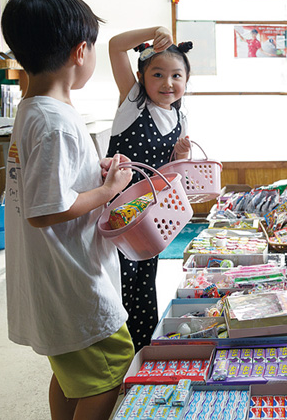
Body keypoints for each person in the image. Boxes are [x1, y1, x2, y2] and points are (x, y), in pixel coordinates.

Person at [1, 0, 135, 420]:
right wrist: (108, 190)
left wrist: (92, 170)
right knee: (110, 367)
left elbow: (52, 180)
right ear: (82, 51)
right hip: (71, 277)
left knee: (73, 373)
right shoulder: (54, 121)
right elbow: (46, 210)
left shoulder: (35, 108)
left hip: (55, 273)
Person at [108, 26, 193, 349]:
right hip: (118, 212)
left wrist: (180, 156)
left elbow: (168, 171)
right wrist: (155, 30)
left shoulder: (180, 117)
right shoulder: (133, 104)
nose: (167, 83)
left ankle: (141, 349)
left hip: (152, 215)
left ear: (186, 81)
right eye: (157, 74)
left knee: (146, 280)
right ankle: (115, 351)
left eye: (176, 76)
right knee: (119, 282)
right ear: (142, 78)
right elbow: (116, 47)